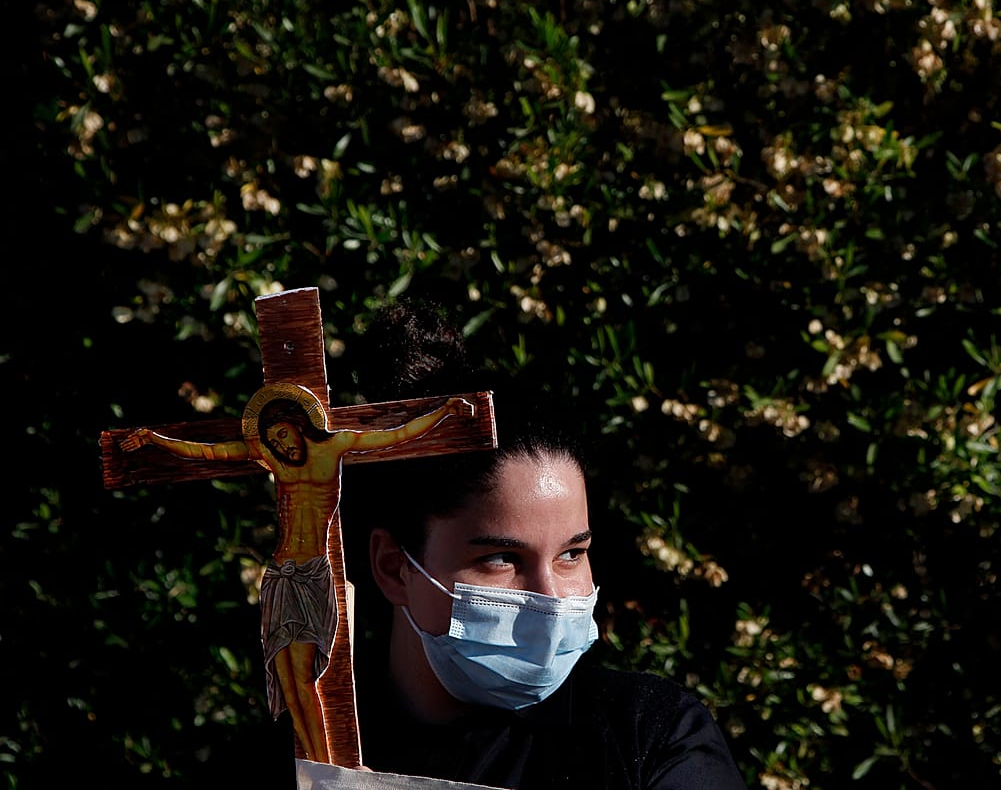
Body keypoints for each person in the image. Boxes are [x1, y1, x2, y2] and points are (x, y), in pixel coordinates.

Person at [340, 299, 747, 789]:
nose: (551, 599)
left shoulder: (650, 737)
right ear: (392, 567)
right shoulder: (309, 756)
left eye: (572, 554)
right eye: (500, 558)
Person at [119, 381, 474, 763]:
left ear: (299, 425)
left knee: (308, 680)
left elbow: (396, 434)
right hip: (280, 575)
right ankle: (312, 765)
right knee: (288, 685)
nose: (283, 447)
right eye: (273, 441)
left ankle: (327, 766)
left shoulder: (334, 447)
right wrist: (155, 440)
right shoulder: (273, 460)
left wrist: (444, 412)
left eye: (284, 436)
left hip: (311, 574)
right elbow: (207, 451)